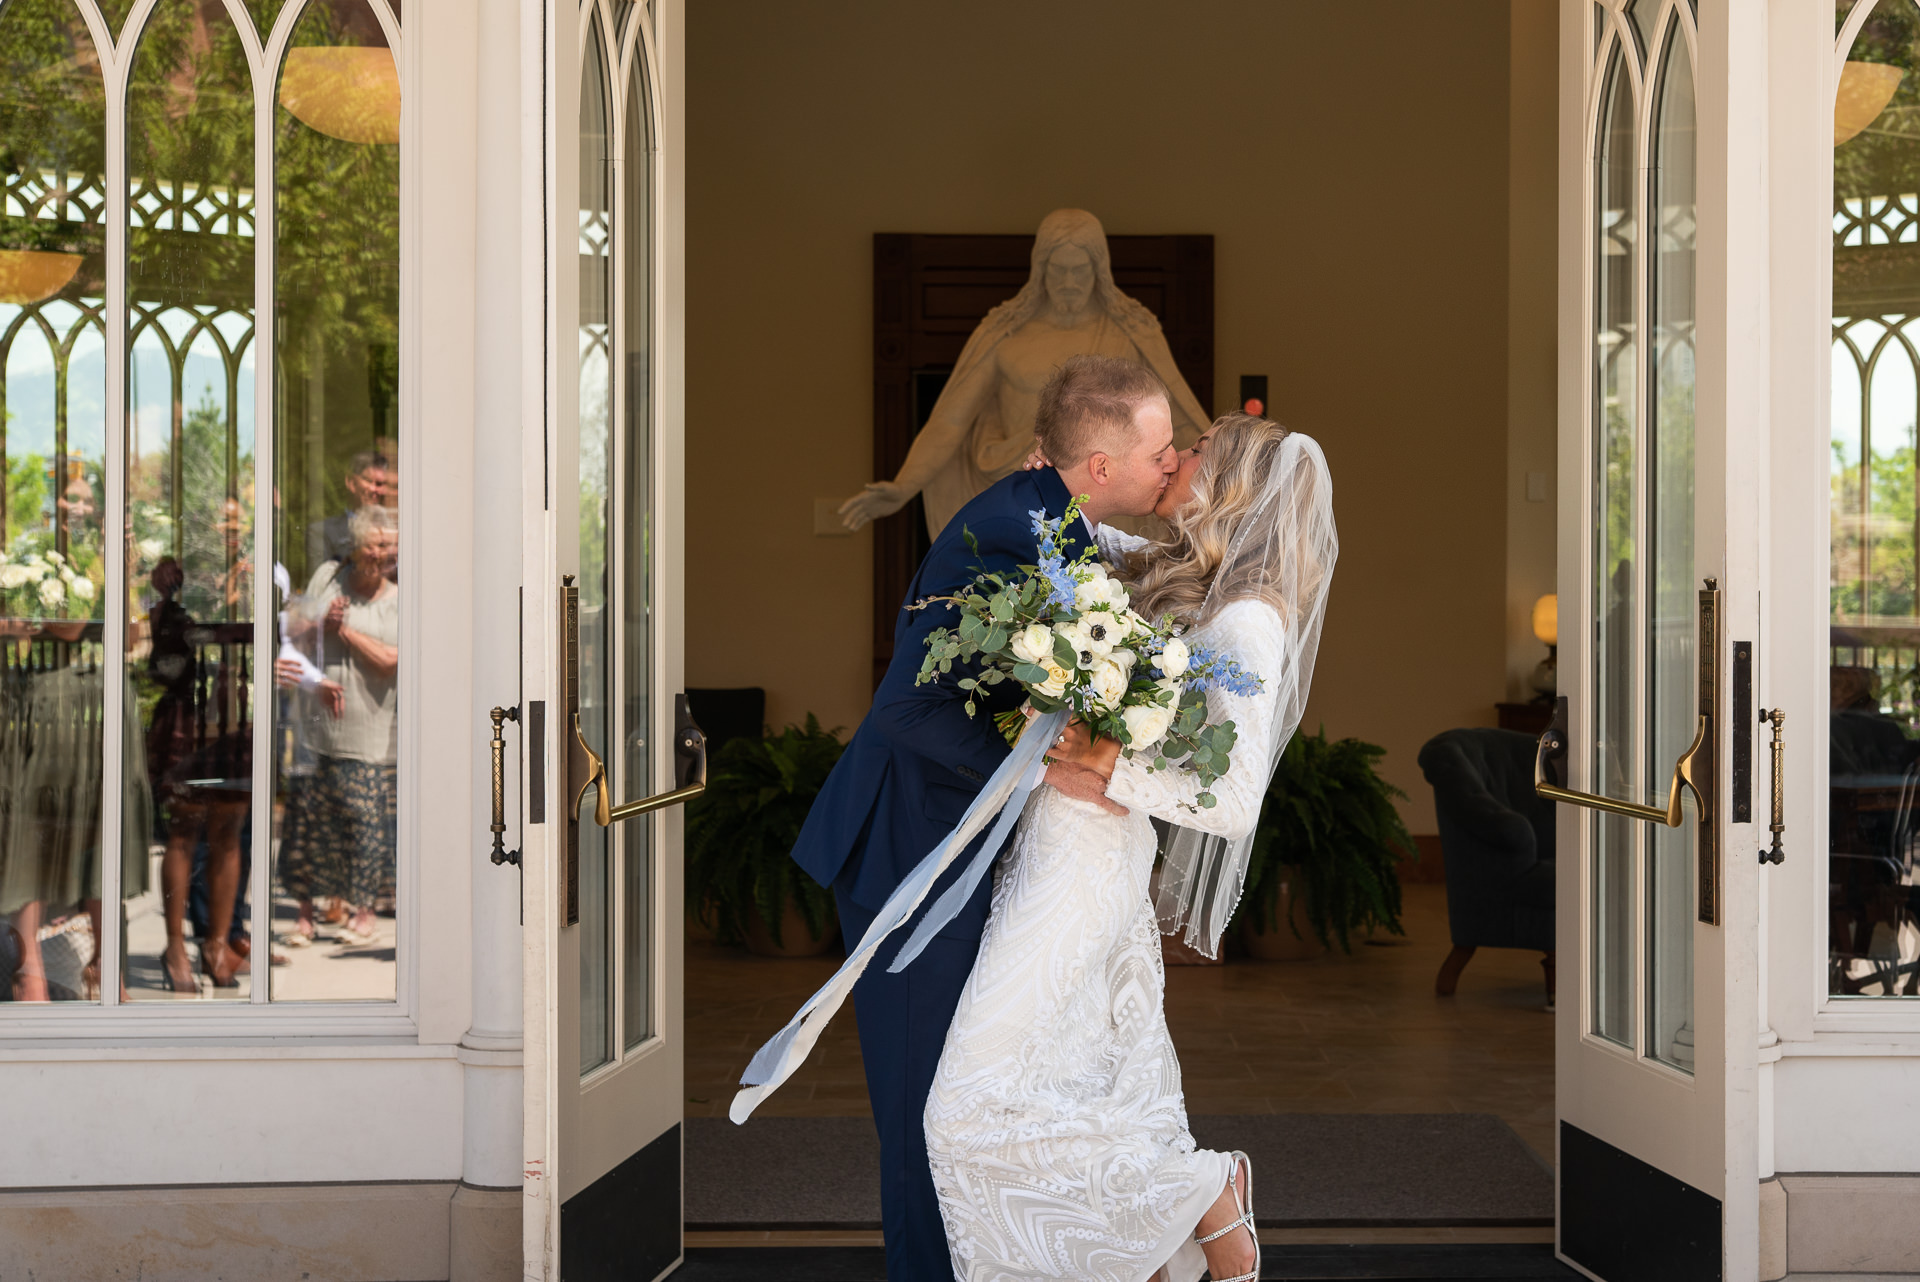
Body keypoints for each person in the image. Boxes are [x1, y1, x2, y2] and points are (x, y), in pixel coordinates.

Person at [778, 355, 1181, 1280]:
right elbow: (904, 710)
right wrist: (1046, 767)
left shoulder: (1056, 521)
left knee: (965, 1102)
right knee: (924, 1113)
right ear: (1104, 465)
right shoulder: (1006, 534)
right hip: (906, 848)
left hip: (955, 843)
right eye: (1160, 451)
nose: (1170, 464)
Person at [922, 412, 1336, 1282]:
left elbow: (1230, 797)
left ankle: (1204, 1189)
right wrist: (1060, 478)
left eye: (1190, 454)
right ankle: (1147, 1256)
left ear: (1227, 487)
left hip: (1084, 871)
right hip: (1053, 853)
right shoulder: (1179, 571)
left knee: (964, 1110)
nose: (1171, 461)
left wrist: (1108, 767)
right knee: (1081, 1094)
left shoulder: (1250, 621)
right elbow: (1092, 532)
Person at [837, 209, 1209, 538]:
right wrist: (904, 486)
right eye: (1057, 270)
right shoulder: (1004, 331)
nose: (1068, 282)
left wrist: (1230, 479)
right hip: (1018, 493)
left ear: (1099, 270)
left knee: (1102, 604)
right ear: (1039, 269)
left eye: (1079, 271)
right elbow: (950, 420)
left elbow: (1182, 416)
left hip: (1109, 495)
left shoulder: (1131, 329)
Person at [276, 507, 399, 947]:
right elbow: (293, 632)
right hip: (315, 727)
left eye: (389, 545)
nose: (382, 554)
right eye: (374, 544)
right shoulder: (328, 578)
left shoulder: (398, 599)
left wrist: (342, 631)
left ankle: (362, 914)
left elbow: (390, 662)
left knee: (364, 824)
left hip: (366, 731)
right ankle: (306, 917)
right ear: (356, 545)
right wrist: (320, 625)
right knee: (308, 825)